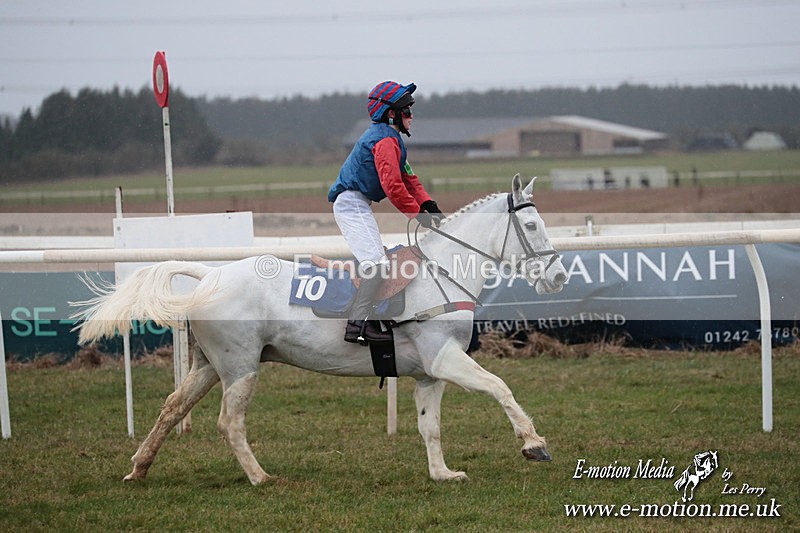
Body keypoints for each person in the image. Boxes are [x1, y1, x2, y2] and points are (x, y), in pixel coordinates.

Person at [328, 81, 445, 344]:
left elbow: (408, 179)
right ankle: (356, 326)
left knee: (379, 263)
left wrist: (428, 205)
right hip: (351, 204)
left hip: (358, 203)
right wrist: (418, 216)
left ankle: (371, 318)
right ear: (391, 114)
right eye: (407, 111)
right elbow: (393, 187)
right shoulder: (383, 141)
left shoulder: (391, 139)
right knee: (377, 265)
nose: (411, 117)